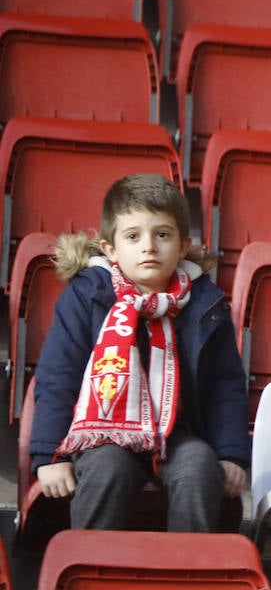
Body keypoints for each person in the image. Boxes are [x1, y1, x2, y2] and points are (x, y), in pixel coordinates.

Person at [30, 173, 249, 531]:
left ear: (182, 246)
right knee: (106, 469)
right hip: (103, 431)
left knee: (198, 466)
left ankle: (188, 577)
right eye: (133, 236)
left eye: (162, 234)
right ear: (111, 249)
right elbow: (58, 376)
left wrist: (230, 454)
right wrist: (48, 455)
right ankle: (91, 573)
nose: (149, 246)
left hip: (177, 431)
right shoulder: (88, 296)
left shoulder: (205, 301)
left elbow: (224, 386)